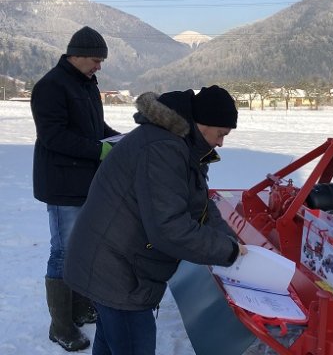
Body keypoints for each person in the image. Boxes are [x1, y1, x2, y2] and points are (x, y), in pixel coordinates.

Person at [64, 85, 247, 355]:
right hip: (118, 273)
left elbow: (199, 207)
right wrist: (227, 251)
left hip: (113, 263)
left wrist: (231, 240)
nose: (221, 142)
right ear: (201, 123)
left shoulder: (180, 146)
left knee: (110, 341)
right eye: (221, 134)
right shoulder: (164, 149)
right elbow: (169, 229)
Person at [30, 26, 120, 351]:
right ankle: (60, 326)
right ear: (77, 54)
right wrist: (99, 150)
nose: (99, 66)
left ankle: (80, 307)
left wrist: (116, 139)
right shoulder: (51, 86)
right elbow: (54, 137)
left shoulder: (86, 84)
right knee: (64, 251)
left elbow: (95, 128)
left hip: (86, 182)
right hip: (61, 183)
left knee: (83, 247)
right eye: (96, 60)